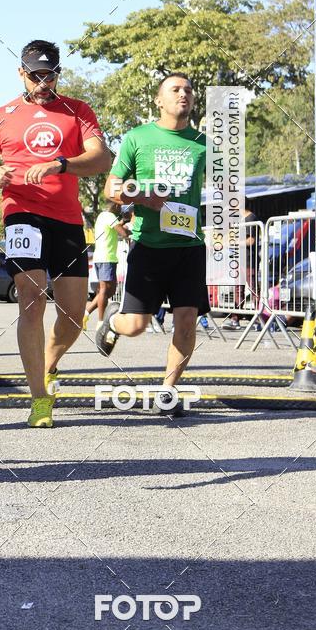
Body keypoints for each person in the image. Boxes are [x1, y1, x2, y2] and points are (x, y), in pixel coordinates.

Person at [0, 39, 111, 427]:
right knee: (31, 299)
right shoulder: (3, 114)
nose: (43, 83)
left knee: (74, 315)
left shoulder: (77, 110)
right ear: (21, 73)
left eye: (49, 75)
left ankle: (49, 361)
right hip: (21, 213)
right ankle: (39, 399)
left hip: (66, 219)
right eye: (35, 75)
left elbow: (102, 158)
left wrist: (60, 165)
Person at [96, 72, 208, 417]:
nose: (183, 94)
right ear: (159, 100)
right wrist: (144, 196)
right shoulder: (138, 138)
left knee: (186, 319)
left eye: (188, 89)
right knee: (136, 325)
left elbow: (225, 190)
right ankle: (113, 322)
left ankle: (168, 392)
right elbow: (111, 189)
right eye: (175, 90)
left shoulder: (204, 142)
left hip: (189, 245)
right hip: (148, 246)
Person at [84, 201, 129, 329]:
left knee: (109, 291)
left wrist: (123, 222)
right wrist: (126, 224)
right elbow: (123, 233)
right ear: (115, 205)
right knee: (104, 290)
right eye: (120, 206)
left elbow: (115, 228)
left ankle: (86, 313)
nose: (121, 208)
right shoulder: (110, 217)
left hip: (101, 257)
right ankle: (100, 321)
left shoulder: (102, 216)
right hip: (106, 257)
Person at [222, 204, 259, 331]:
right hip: (238, 259)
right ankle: (235, 318)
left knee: (253, 289)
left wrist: (235, 242)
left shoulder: (251, 218)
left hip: (249, 259)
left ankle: (259, 318)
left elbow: (251, 241)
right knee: (238, 289)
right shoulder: (239, 220)